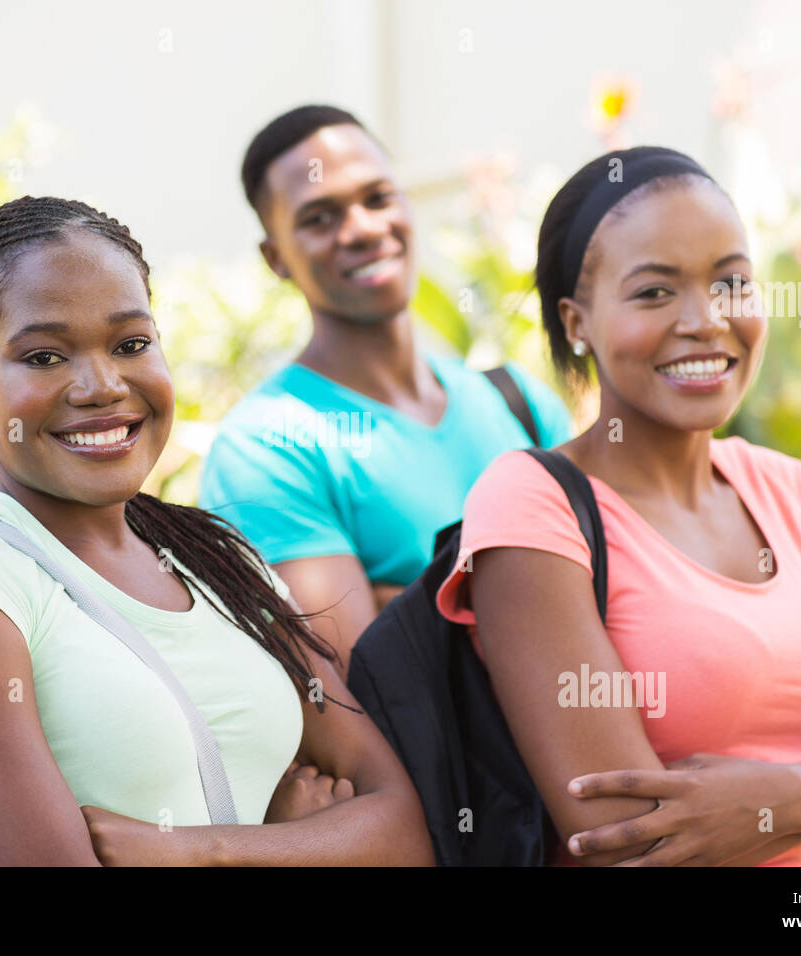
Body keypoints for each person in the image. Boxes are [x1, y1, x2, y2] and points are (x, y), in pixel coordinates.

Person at [436, 146, 801, 866]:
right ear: (577, 321)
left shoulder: (786, 490)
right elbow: (627, 842)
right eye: (655, 292)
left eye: (733, 282)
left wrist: (776, 799)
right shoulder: (533, 502)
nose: (706, 320)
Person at [0, 196, 433, 865]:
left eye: (131, 344)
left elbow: (400, 829)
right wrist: (308, 847)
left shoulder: (222, 561)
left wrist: (205, 852)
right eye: (45, 356)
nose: (102, 385)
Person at [198, 105, 576, 674]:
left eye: (377, 198)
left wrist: (411, 605)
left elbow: (607, 601)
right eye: (320, 218)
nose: (363, 230)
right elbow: (361, 685)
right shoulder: (265, 448)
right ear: (276, 257)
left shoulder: (519, 403)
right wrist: (528, 597)